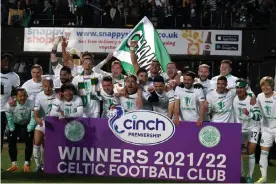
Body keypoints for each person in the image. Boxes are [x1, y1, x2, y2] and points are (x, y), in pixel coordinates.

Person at [232, 78, 262, 183]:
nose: (239, 90)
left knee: (250, 152)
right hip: (239, 128)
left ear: (246, 88)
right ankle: (241, 174)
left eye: (241, 88)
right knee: (237, 152)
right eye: (237, 87)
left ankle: (249, 176)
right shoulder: (234, 98)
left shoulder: (252, 99)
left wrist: (249, 114)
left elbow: (259, 117)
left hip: (252, 128)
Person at [5, 88, 36, 172]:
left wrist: (30, 128)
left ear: (27, 96)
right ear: (16, 96)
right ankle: (14, 164)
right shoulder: (9, 105)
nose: (23, 98)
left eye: (24, 95)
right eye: (20, 96)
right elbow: (9, 118)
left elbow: (33, 117)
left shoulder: (31, 103)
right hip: (15, 124)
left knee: (29, 142)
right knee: (11, 142)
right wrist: (12, 129)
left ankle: (26, 164)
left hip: (27, 123)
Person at [255, 76, 276, 183]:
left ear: (272, 86)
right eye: (263, 85)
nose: (265, 87)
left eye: (268, 85)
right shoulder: (259, 96)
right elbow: (256, 110)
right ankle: (264, 177)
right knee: (263, 153)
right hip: (266, 129)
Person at [33, 77, 55, 172]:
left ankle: (46, 164)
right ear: (42, 86)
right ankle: (38, 165)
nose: (47, 88)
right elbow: (36, 112)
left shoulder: (58, 95)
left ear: (53, 86)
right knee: (37, 141)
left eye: (49, 86)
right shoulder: (39, 96)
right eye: (45, 86)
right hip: (43, 122)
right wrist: (37, 119)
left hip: (54, 124)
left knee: (48, 145)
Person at [1, 53, 20, 151]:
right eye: (3, 60)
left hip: (5, 110)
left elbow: (18, 94)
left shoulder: (14, 77)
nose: (6, 63)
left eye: (8, 61)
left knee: (5, 138)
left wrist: (14, 100)